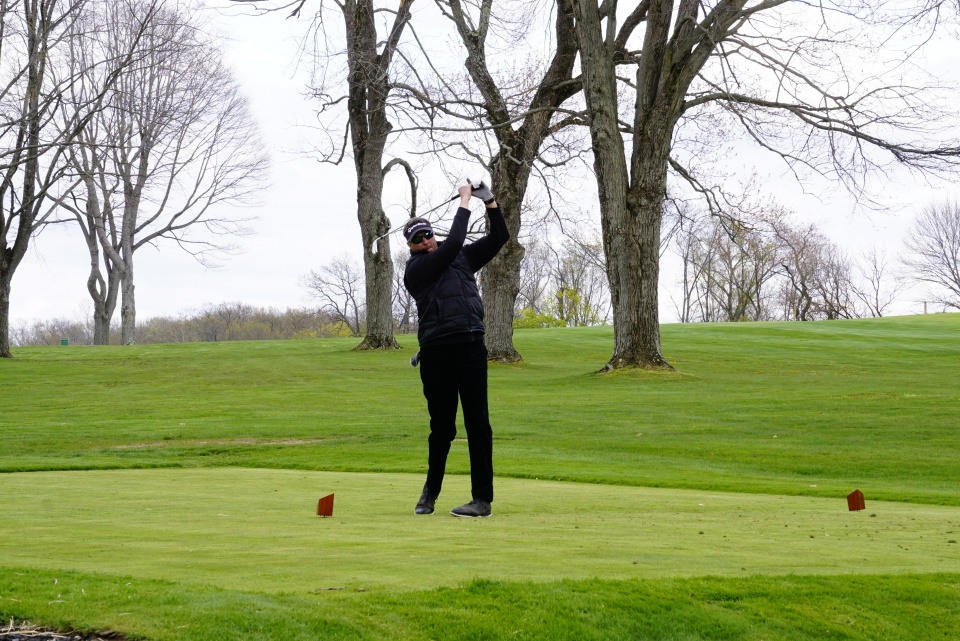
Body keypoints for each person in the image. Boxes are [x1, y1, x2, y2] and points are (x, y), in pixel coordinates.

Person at [403, 180, 508, 518]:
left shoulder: (460, 257)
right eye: (418, 238)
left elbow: (499, 237)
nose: (426, 240)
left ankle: (482, 500)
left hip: (471, 346)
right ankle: (429, 493)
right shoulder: (416, 270)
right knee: (443, 428)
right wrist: (464, 202)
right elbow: (454, 243)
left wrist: (489, 202)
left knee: (479, 424)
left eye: (428, 234)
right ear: (411, 245)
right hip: (437, 353)